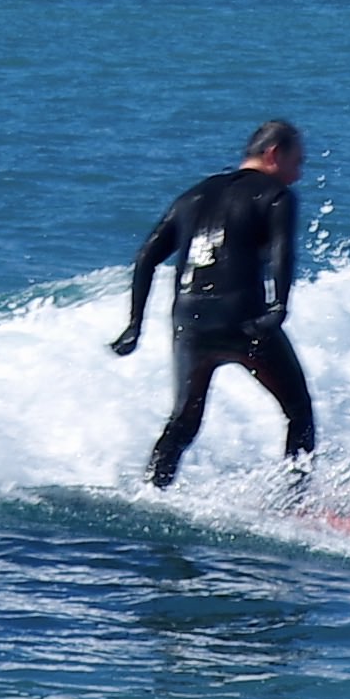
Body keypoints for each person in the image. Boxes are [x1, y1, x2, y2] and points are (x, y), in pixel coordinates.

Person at [109, 117, 314, 482]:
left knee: (183, 421)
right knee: (298, 411)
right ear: (273, 154)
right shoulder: (276, 196)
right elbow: (283, 255)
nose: (297, 175)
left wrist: (134, 325)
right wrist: (278, 308)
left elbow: (146, 258)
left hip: (190, 324)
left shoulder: (194, 195)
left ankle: (152, 489)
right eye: (296, 162)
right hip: (243, 321)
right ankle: (296, 496)